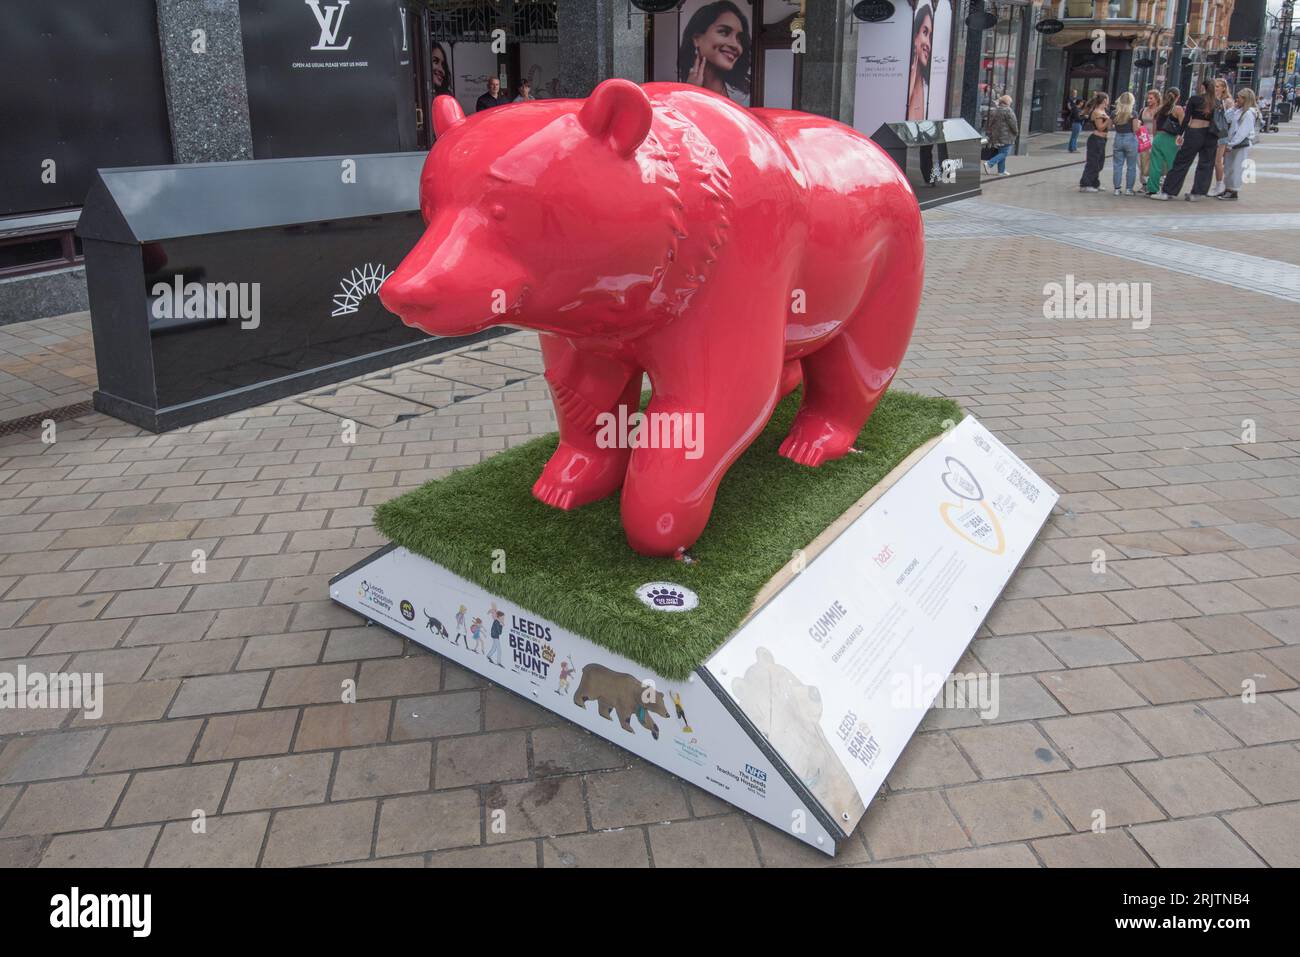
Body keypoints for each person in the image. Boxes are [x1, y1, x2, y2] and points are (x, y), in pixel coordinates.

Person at [1152, 78, 1219, 201]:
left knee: (1181, 162)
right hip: (1210, 135)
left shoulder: (1195, 99)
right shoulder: (1217, 102)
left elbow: (1187, 118)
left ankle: (1168, 192)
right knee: (1206, 164)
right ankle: (1197, 193)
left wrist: (1180, 134)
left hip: (1194, 132)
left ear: (1202, 87)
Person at [678, 1, 752, 105]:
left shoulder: (743, 97)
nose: (735, 45)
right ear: (697, 39)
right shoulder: (675, 93)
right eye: (724, 32)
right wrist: (692, 94)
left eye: (739, 39)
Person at [1219, 87, 1260, 201]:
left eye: (1240, 98)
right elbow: (1227, 118)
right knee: (1229, 166)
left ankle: (1233, 190)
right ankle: (1228, 188)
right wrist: (1233, 108)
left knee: (1236, 167)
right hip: (1233, 142)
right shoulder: (1240, 110)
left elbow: (1242, 132)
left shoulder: (1249, 113)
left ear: (1246, 99)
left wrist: (1231, 144)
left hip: (1240, 144)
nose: (1237, 99)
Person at [1145, 88, 1183, 195]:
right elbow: (1183, 125)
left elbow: (1154, 126)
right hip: (1171, 139)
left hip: (1158, 138)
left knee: (1155, 165)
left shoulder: (1159, 109)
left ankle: (1152, 189)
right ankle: (1169, 189)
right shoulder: (1178, 109)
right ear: (1178, 97)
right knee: (1172, 165)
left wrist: (1155, 137)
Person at [906, 3, 934, 120]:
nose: (928, 44)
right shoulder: (908, 76)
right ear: (915, 34)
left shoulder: (925, 86)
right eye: (925, 32)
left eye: (930, 37)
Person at [1111, 91, 1141, 196]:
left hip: (1118, 138)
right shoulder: (1133, 113)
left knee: (1117, 165)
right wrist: (1139, 124)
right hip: (1130, 139)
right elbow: (1135, 130)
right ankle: (1129, 189)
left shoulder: (1114, 113)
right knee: (1131, 166)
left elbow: (1111, 126)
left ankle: (1116, 189)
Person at [1078, 92, 1110, 192]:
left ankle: (1094, 183)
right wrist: (1108, 120)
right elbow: (1100, 127)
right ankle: (1085, 184)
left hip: (1103, 139)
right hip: (1096, 139)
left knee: (1100, 163)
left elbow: (1107, 127)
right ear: (1105, 100)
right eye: (1107, 99)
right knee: (1093, 162)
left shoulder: (1103, 111)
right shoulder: (1096, 112)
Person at [1209, 76, 1233, 196]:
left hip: (1222, 132)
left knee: (1218, 160)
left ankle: (1220, 184)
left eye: (1217, 86)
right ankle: (1217, 184)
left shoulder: (1227, 101)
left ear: (1224, 88)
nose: (1215, 88)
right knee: (1214, 160)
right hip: (1213, 131)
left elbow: (1230, 120)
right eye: (1214, 86)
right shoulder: (1213, 99)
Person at [983, 94, 1018, 176]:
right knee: (1004, 153)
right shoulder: (1008, 111)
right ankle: (989, 163)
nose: (1011, 103)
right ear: (1007, 102)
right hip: (1006, 136)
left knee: (1002, 152)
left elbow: (990, 123)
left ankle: (1001, 171)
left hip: (997, 136)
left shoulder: (996, 110)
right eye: (1010, 102)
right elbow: (1013, 123)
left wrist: (990, 133)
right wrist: (1016, 132)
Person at [1138, 89, 1160, 183]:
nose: (1148, 100)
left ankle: (1154, 182)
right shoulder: (1143, 110)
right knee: (1142, 161)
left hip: (1155, 137)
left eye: (1151, 98)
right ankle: (1144, 183)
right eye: (1148, 98)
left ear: (1157, 99)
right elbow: (1139, 122)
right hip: (1144, 137)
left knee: (1154, 161)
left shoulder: (1160, 110)